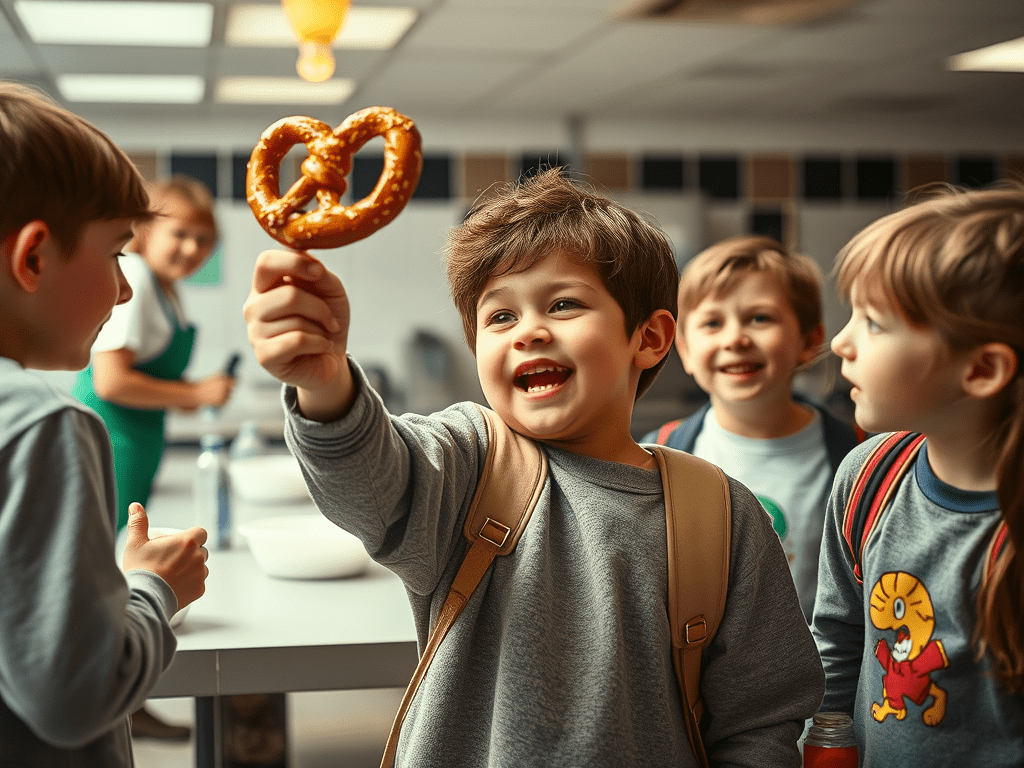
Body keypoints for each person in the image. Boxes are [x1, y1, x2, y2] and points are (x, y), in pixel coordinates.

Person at [243, 169, 824, 767]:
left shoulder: (721, 517)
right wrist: (326, 385)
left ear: (649, 337)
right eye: (500, 317)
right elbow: (371, 483)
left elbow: (762, 721)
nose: (529, 332)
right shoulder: (470, 462)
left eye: (564, 303)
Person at [0, 81, 209, 766]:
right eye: (118, 252)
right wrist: (154, 588)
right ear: (33, 258)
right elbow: (74, 694)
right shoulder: (45, 427)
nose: (124, 288)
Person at [812, 184, 1024, 766]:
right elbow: (837, 637)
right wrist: (825, 746)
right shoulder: (869, 476)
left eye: (874, 323)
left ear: (980, 369)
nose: (840, 342)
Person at [70, 176, 233, 739]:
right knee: (104, 577)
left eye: (204, 240)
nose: (191, 249)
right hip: (112, 442)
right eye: (180, 233)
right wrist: (196, 394)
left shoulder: (164, 286)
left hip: (135, 448)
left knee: (114, 569)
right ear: (143, 230)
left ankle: (125, 700)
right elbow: (113, 380)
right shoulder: (136, 277)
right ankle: (110, 704)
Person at [641, 235, 862, 621]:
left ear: (809, 342)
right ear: (686, 351)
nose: (736, 339)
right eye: (712, 322)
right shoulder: (657, 454)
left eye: (760, 318)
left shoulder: (858, 458)